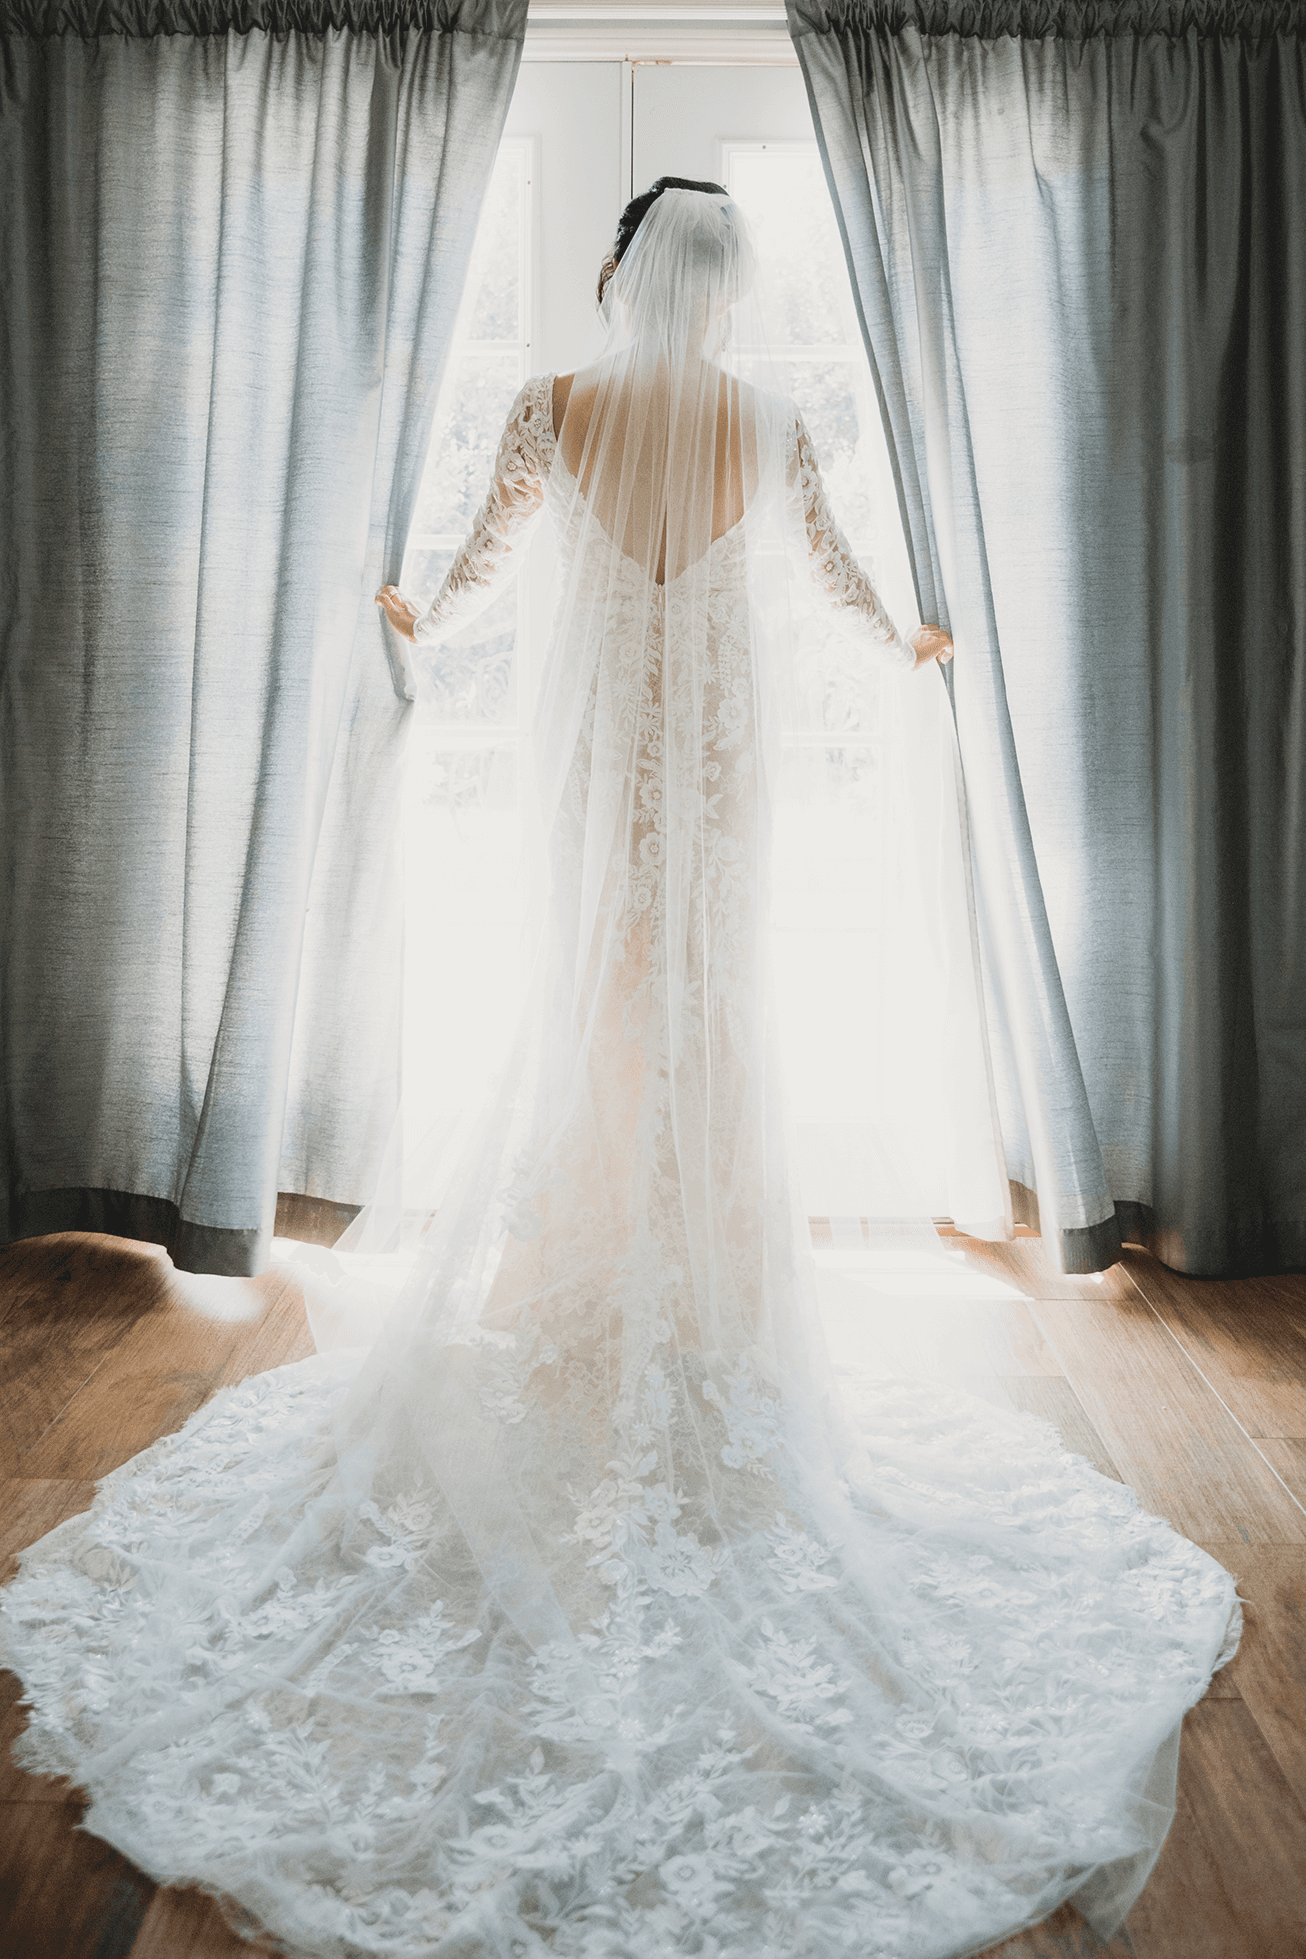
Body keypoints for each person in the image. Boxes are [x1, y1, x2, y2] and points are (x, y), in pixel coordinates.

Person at [2, 182, 1236, 1959]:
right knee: (710, 1018)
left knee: (599, 1014)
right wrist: (908, 637)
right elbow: (822, 572)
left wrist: (409, 601)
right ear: (725, 287)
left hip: (597, 790)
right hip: (716, 786)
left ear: (615, 275)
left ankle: (594, 1264)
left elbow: (485, 553)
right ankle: (707, 1286)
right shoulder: (763, 416)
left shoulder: (553, 407)